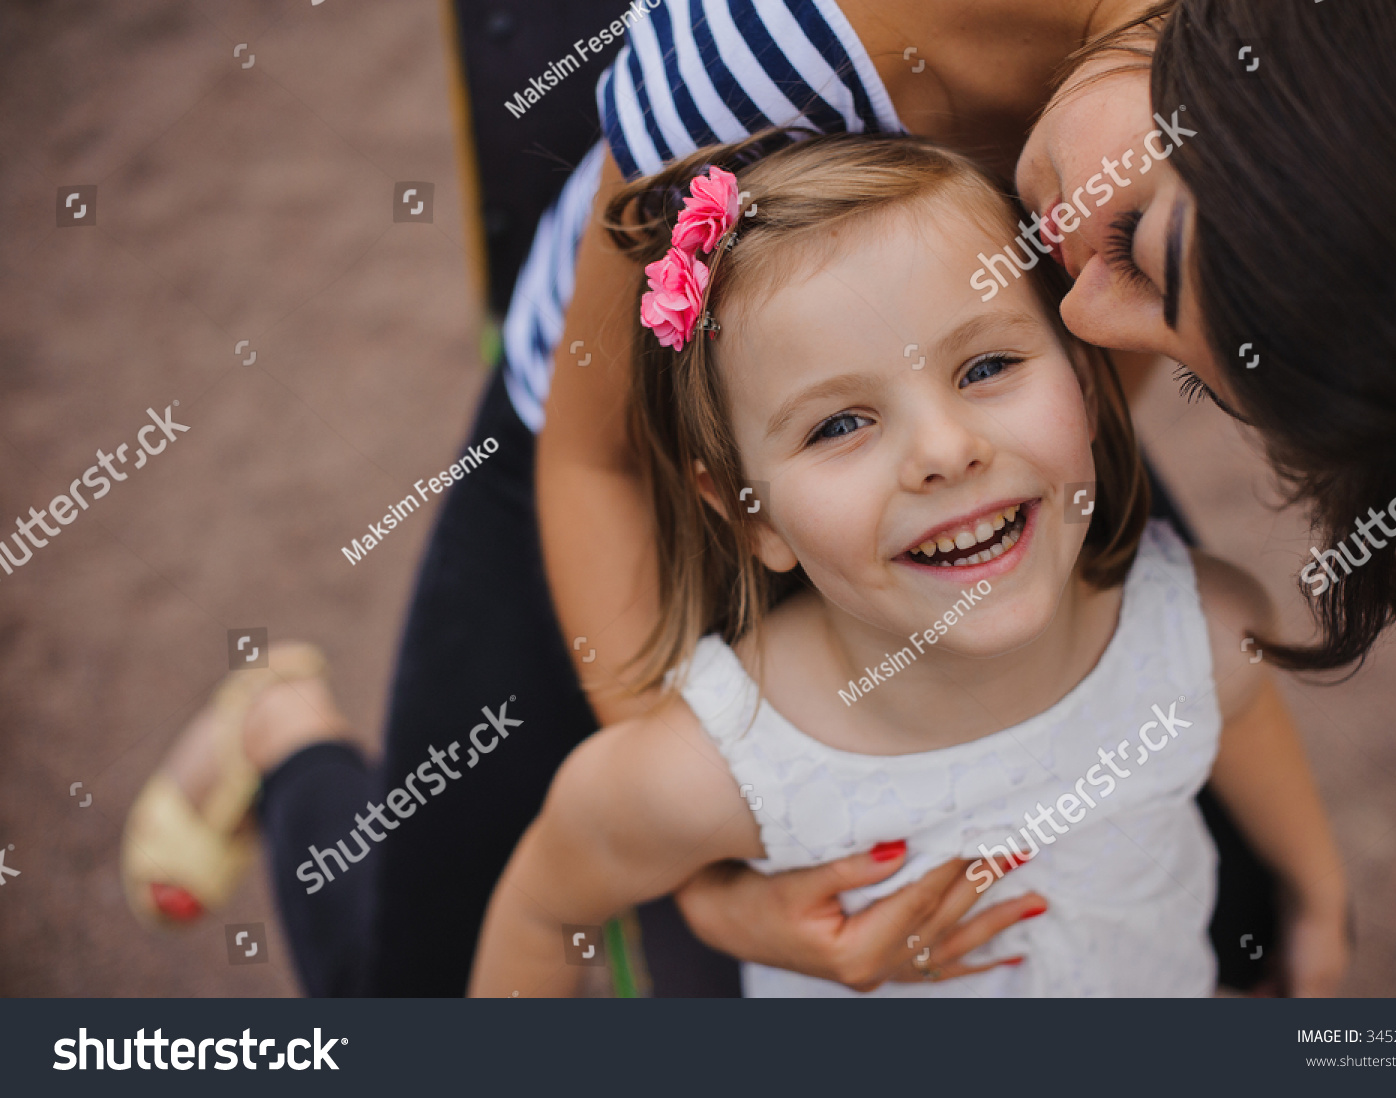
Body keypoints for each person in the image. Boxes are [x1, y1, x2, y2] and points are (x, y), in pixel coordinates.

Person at [122, 0, 1396, 996]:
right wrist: (729, 876)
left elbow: (1076, 384)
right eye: (1136, 247)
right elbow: (599, 463)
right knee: (412, 997)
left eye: (1168, 350)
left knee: (1237, 908)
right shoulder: (746, 53)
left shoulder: (1087, 287)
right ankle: (288, 737)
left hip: (940, 442)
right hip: (630, 453)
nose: (1091, 309)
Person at [468, 131, 1348, 997]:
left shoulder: (1200, 629)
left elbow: (1243, 712)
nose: (943, 449)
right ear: (749, 513)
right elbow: (546, 911)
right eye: (840, 424)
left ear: (1084, 381)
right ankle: (318, 743)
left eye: (989, 364)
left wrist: (1317, 901)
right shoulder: (709, 770)